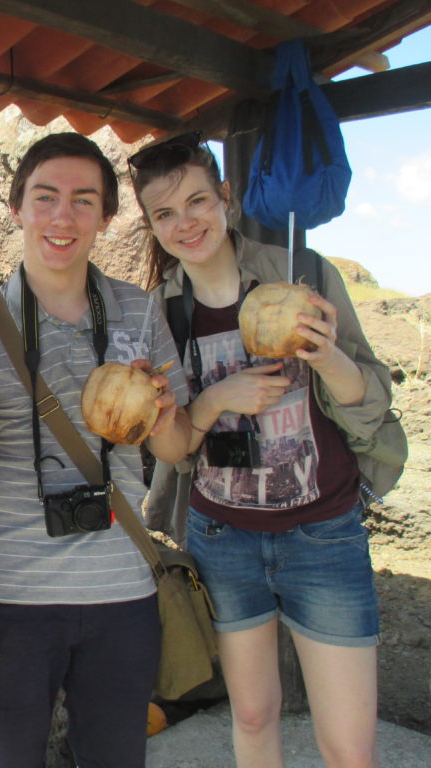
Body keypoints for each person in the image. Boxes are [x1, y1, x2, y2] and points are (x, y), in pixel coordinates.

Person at [130, 132, 387, 768]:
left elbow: (370, 397)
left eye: (197, 201)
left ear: (226, 198)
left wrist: (326, 355)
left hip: (323, 535)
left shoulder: (306, 275)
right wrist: (218, 399)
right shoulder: (158, 316)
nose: (186, 223)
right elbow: (175, 444)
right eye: (165, 213)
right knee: (251, 714)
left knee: (349, 747)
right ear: (152, 226)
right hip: (224, 538)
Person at [0, 132, 192, 767]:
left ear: (107, 218)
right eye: (45, 197)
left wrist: (162, 410)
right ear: (16, 208)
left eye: (84, 201)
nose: (63, 217)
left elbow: (175, 447)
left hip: (122, 595)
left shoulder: (138, 312)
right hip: (10, 605)